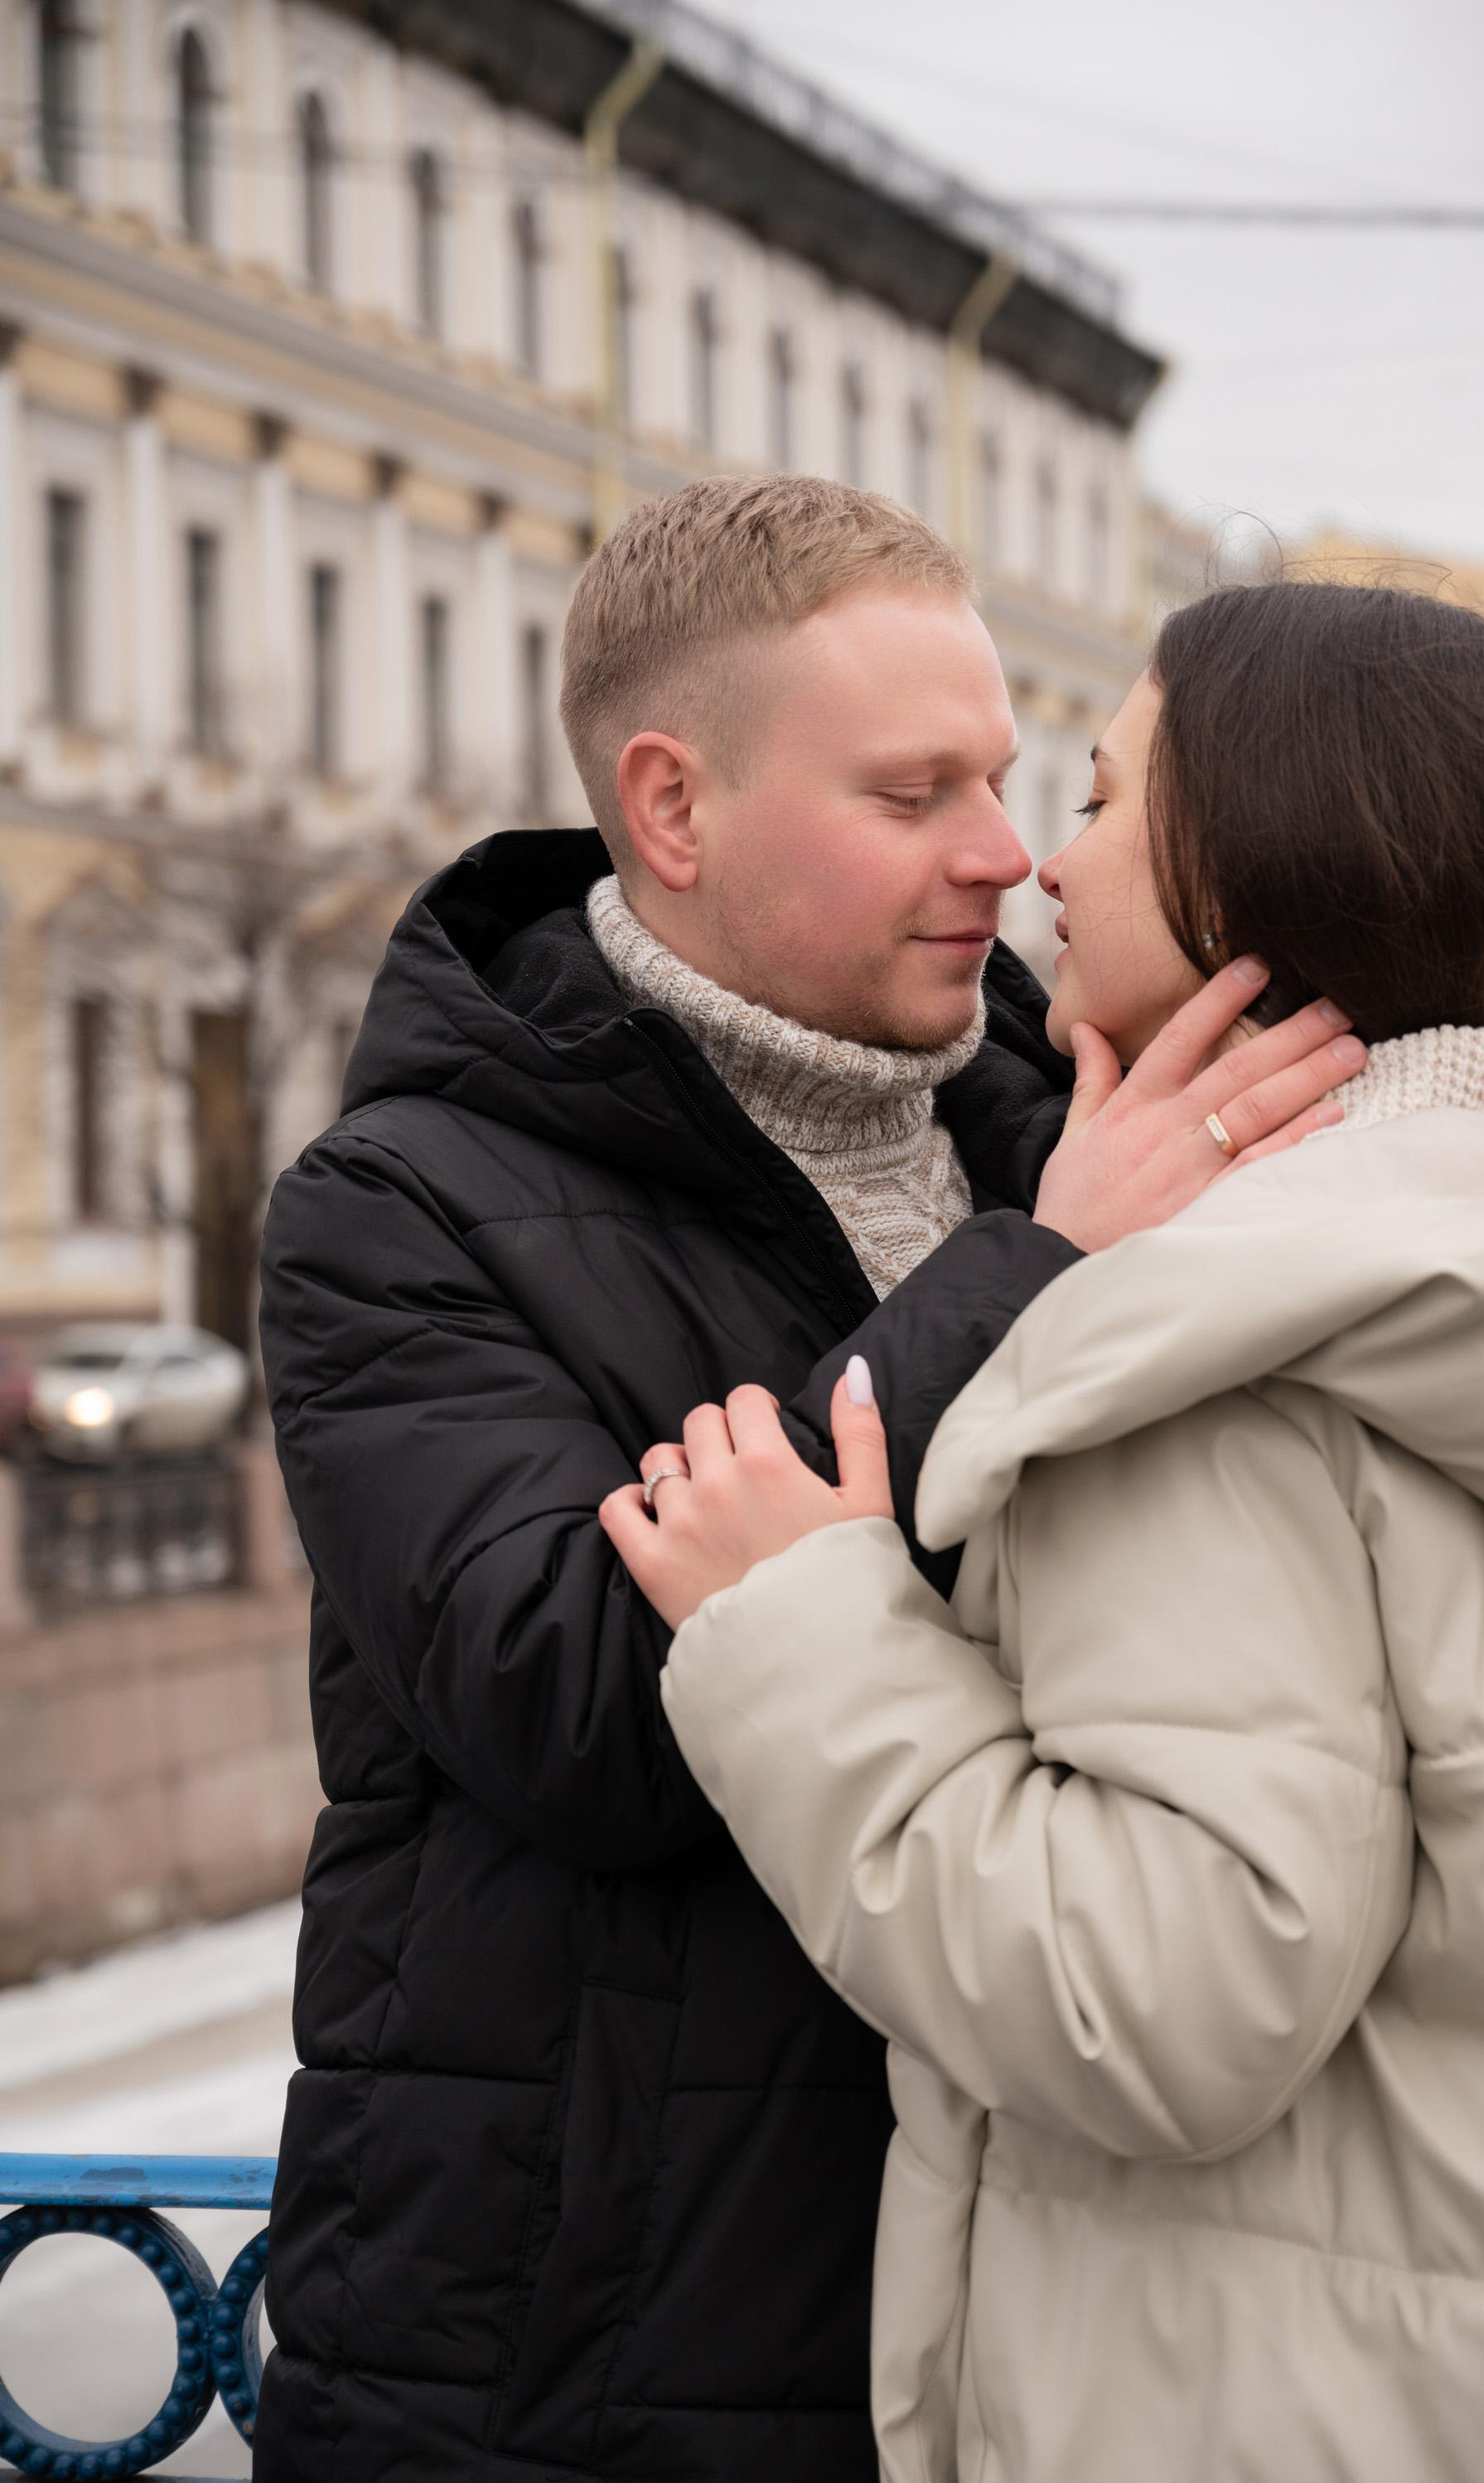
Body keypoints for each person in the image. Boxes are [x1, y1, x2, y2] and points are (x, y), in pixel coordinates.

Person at [252, 481, 1361, 2483]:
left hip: (1027, 2350)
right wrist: (1035, 1279)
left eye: (1007, 781)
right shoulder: (398, 1207)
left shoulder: (1067, 1131)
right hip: (568, 2382)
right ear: (674, 808)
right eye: (913, 792)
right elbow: (576, 1701)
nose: (1002, 852)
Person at [606, 579, 1484, 2483]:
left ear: (1243, 878)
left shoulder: (1204, 1348)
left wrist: (801, 1626)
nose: (1041, 865)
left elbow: (1162, 2000)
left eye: (1096, 799)